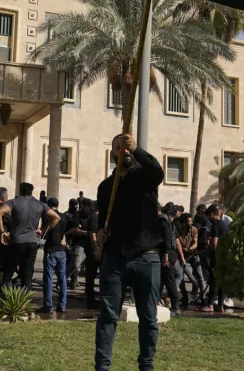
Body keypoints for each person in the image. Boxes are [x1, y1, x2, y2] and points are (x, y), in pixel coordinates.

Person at [95, 133, 164, 371]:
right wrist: (99, 233)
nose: (123, 151)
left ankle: (147, 366)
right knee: (107, 316)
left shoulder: (145, 177)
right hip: (115, 257)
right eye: (119, 148)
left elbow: (158, 172)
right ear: (113, 152)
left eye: (126, 148)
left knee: (148, 319)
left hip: (147, 255)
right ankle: (102, 367)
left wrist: (138, 149)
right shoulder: (105, 188)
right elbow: (102, 219)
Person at [0, 182, 59, 290]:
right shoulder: (39, 204)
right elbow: (56, 217)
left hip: (16, 242)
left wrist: (2, 232)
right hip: (32, 242)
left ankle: (1, 299)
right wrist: (43, 231)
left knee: (8, 273)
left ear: (20, 191)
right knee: (27, 275)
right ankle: (24, 302)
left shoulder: (14, 202)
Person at [40, 198, 69, 314]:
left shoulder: (48, 217)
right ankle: (62, 305)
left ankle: (48, 305)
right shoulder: (64, 217)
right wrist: (64, 237)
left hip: (51, 249)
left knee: (48, 279)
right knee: (62, 279)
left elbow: (44, 234)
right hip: (61, 251)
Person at [73, 199, 99, 308]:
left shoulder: (94, 216)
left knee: (91, 275)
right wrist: (96, 249)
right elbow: (93, 235)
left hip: (94, 249)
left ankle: (91, 296)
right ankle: (90, 298)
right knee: (91, 275)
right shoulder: (94, 216)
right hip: (94, 250)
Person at [159, 206, 185, 316]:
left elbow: (166, 240)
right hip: (171, 255)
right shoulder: (170, 224)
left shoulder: (164, 223)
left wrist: (165, 255)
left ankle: (175, 306)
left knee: (169, 281)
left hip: (168, 256)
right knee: (162, 280)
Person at [201, 204, 227, 312]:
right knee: (221, 281)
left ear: (211, 214)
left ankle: (210, 305)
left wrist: (208, 250)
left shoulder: (215, 224)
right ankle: (220, 305)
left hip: (216, 258)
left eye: (208, 216)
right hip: (224, 257)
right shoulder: (224, 224)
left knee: (214, 281)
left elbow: (215, 242)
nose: (208, 219)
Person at [177, 213, 204, 309]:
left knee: (200, 275)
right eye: (189, 221)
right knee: (180, 276)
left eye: (191, 221)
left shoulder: (193, 229)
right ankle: (184, 297)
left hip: (192, 253)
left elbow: (195, 242)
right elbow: (177, 244)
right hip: (181, 255)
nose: (191, 223)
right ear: (184, 223)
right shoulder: (178, 230)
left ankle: (203, 298)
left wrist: (190, 248)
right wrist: (183, 253)